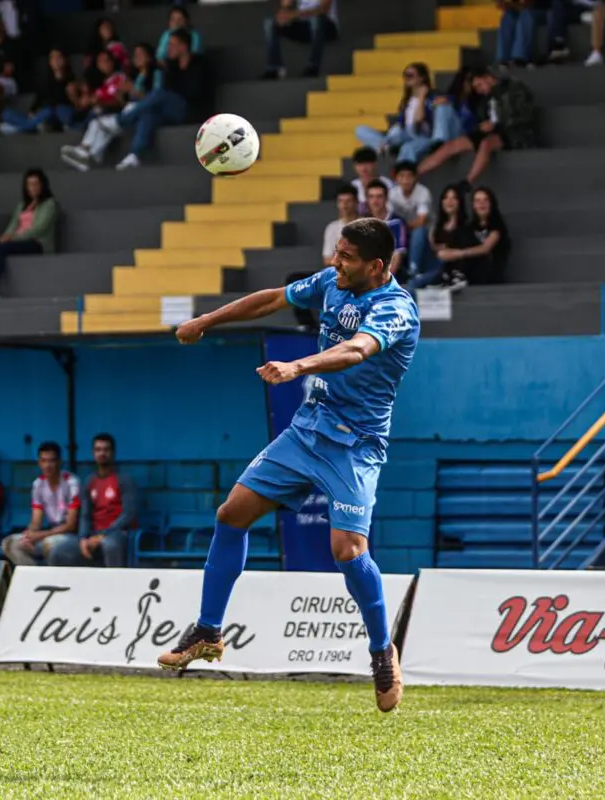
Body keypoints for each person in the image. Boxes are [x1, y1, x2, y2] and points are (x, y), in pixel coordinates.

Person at [159, 218, 419, 714]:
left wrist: (298, 366)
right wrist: (206, 320)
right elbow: (269, 298)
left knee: (347, 550)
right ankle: (209, 631)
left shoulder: (395, 309)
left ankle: (382, 650)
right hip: (307, 430)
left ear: (376, 266)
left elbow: (357, 349)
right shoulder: (331, 282)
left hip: (354, 444)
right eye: (336, 252)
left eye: (345, 256)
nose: (334, 262)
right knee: (231, 514)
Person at [60, 29, 211, 172]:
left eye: (172, 44)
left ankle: (119, 121)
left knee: (159, 94)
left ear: (183, 46)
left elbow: (193, 94)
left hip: (190, 111)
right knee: (149, 114)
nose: (168, 48)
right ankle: (135, 155)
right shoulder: (171, 67)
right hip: (168, 111)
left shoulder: (200, 64)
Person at [416, 68, 536, 185]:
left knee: (486, 144)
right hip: (491, 130)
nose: (479, 90)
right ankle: (414, 173)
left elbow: (522, 115)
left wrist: (496, 124)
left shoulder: (513, 88)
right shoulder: (485, 99)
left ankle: (467, 182)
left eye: (479, 85)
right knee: (453, 145)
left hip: (514, 133)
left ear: (488, 77)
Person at [0, 168, 57, 301]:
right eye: (29, 184)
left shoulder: (49, 204)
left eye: (36, 184)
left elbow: (39, 229)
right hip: (18, 240)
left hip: (37, 242)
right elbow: (13, 225)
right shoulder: (22, 205)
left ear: (43, 185)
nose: (33, 187)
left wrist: (12, 238)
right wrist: (5, 236)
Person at [1, 441, 81, 567]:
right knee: (10, 543)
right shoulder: (38, 484)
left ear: (60, 462)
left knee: (49, 544)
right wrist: (29, 535)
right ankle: (34, 576)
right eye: (44, 461)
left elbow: (71, 525)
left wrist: (40, 535)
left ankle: (53, 580)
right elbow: (36, 521)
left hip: (71, 537)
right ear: (39, 463)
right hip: (50, 532)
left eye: (52, 461)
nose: (48, 465)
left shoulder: (72, 482)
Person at [355, 63, 449, 165]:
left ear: (422, 78)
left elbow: (419, 120)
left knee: (407, 147)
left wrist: (422, 97)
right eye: (405, 75)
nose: (407, 78)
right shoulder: (406, 100)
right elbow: (401, 124)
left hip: (422, 136)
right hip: (404, 133)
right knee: (360, 130)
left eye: (410, 75)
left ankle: (388, 150)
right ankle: (386, 146)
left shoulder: (433, 98)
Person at [73, 433, 138, 568]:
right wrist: (82, 539)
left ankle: (115, 586)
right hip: (93, 534)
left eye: (106, 449)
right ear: (93, 453)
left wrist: (102, 536)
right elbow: (85, 515)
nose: (102, 453)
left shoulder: (124, 480)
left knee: (109, 545)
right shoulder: (89, 481)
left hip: (118, 533)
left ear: (113, 453)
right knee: (59, 550)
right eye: (98, 449)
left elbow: (128, 514)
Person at [409, 183, 475, 290]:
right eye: (446, 198)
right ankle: (413, 271)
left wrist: (450, 251)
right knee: (419, 231)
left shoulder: (466, 227)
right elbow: (434, 249)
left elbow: (466, 251)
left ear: (459, 202)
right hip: (434, 266)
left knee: (413, 284)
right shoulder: (437, 226)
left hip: (449, 270)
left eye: (454, 198)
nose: (449, 201)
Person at [0, 48, 78, 134]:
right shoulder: (46, 80)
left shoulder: (71, 80)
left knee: (49, 111)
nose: (56, 60)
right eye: (53, 58)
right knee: (6, 114)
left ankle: (20, 128)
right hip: (45, 113)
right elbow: (39, 98)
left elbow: (65, 102)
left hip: (59, 112)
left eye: (59, 57)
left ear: (65, 60)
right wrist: (32, 111)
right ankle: (32, 126)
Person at [261, 0, 336, 79]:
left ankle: (313, 67)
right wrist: (284, 13)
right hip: (304, 25)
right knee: (270, 22)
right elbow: (285, 7)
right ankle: (275, 68)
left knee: (316, 20)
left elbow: (322, 10)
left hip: (327, 27)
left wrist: (295, 14)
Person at [388, 161, 432, 280]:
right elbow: (390, 217)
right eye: (402, 176)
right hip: (401, 230)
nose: (406, 180)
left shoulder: (423, 192)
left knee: (418, 232)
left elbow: (421, 220)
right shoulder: (393, 193)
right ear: (396, 178)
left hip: (423, 232)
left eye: (409, 176)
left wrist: (403, 228)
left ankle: (413, 269)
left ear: (415, 177)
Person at [364, 180, 407, 276]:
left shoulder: (397, 222)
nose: (375, 201)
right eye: (371, 197)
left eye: (379, 196)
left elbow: (397, 256)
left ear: (386, 198)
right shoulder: (362, 223)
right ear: (367, 200)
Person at [349, 146, 394, 215]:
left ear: (374, 164)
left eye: (367, 163)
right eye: (360, 164)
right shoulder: (353, 185)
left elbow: (390, 210)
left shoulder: (387, 183)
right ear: (354, 166)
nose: (364, 168)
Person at [322, 183, 359, 266]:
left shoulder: (367, 226)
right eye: (340, 201)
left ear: (356, 202)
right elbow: (327, 259)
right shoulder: (332, 228)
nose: (344, 205)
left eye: (348, 201)